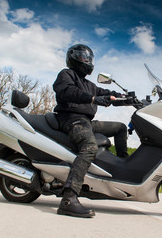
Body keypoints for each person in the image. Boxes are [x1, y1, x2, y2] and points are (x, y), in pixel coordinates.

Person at [53, 44, 128, 218]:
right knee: (89, 146)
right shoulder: (66, 74)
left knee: (120, 128)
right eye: (82, 57)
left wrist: (128, 98)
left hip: (86, 121)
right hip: (72, 118)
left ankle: (121, 171)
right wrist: (94, 99)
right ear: (73, 58)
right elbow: (67, 91)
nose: (86, 61)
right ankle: (68, 198)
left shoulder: (90, 85)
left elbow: (108, 94)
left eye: (88, 58)